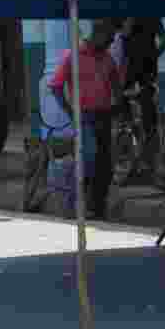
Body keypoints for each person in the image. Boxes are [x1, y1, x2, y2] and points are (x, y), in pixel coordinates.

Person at [48, 22, 121, 219]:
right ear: (98, 34)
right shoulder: (72, 56)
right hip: (85, 116)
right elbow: (55, 86)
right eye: (109, 37)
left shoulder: (107, 58)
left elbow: (116, 85)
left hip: (104, 115)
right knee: (90, 157)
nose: (112, 41)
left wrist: (119, 104)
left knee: (105, 162)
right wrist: (70, 111)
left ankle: (98, 205)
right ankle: (82, 202)